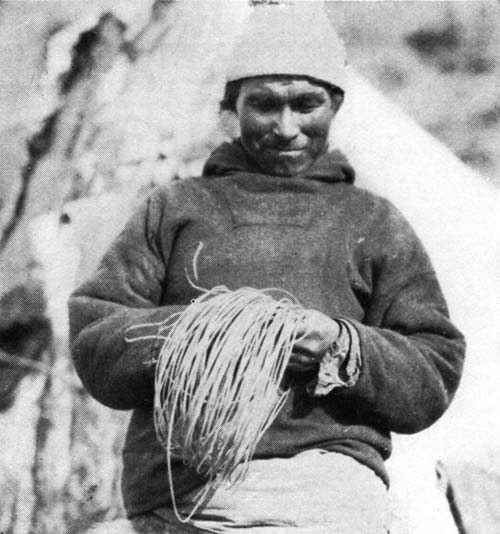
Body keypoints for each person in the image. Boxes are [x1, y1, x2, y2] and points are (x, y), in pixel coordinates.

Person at [69, 5, 465, 534]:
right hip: (181, 497)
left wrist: (339, 344)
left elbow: (433, 367)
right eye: (264, 104)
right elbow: (96, 337)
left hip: (324, 495)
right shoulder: (175, 207)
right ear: (232, 108)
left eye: (306, 104)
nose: (285, 127)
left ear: (335, 104)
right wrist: (201, 333)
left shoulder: (372, 221)